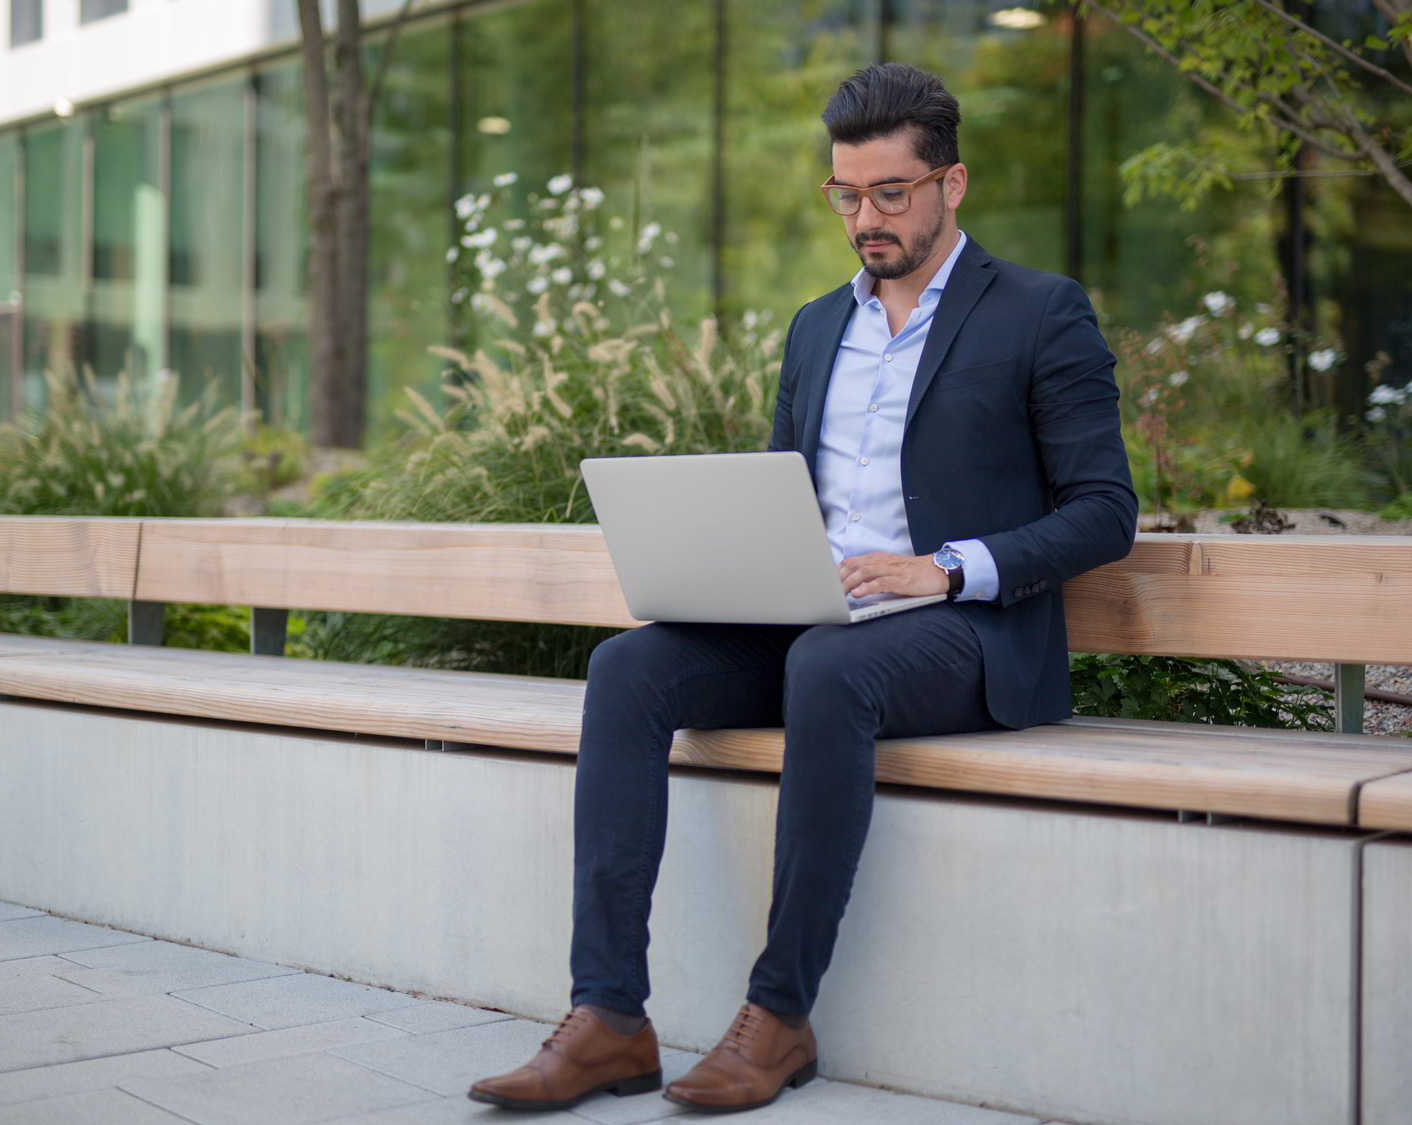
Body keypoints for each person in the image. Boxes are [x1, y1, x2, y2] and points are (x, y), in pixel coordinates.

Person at [469, 62, 1137, 1115]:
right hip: (821, 619)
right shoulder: (817, 325)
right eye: (845, 194)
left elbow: (1107, 511)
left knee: (829, 668)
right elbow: (786, 490)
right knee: (630, 666)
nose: (864, 217)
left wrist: (947, 565)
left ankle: (778, 1016)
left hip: (961, 634)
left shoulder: (1041, 315)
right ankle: (608, 1018)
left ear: (951, 185)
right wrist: (744, 565)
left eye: (890, 194)